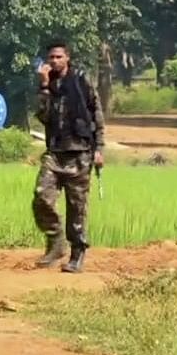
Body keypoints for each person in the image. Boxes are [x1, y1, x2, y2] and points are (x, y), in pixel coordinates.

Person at [32, 39, 105, 273]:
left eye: (58, 57)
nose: (54, 61)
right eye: (50, 58)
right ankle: (56, 241)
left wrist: (100, 148)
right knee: (41, 196)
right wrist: (44, 86)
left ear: (67, 58)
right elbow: (43, 116)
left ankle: (77, 253)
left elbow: (97, 113)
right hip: (55, 152)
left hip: (80, 152)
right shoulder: (47, 84)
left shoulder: (81, 80)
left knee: (77, 207)